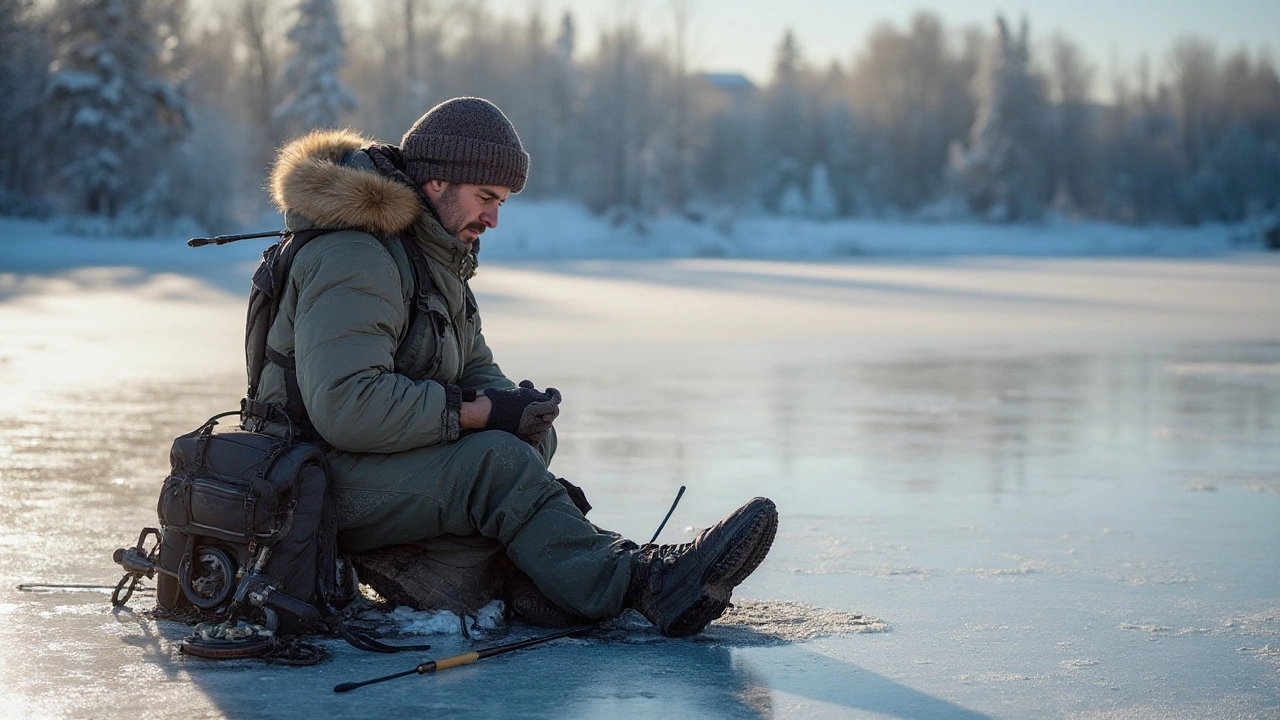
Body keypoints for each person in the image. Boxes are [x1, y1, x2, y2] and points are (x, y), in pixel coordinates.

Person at [250, 96, 776, 637]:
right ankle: (643, 585)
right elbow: (347, 406)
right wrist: (480, 415)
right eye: (486, 197)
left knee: (521, 449)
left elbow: (475, 369)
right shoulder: (355, 256)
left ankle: (542, 582)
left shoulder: (431, 258)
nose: (494, 218)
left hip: (375, 462)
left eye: (501, 202)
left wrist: (517, 411)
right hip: (314, 480)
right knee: (496, 465)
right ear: (436, 183)